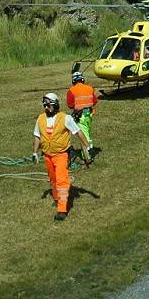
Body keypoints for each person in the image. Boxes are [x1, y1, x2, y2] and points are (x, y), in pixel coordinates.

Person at [32, 92, 92, 221]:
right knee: (53, 180)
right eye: (44, 105)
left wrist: (87, 147)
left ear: (55, 104)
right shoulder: (41, 118)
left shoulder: (65, 118)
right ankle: (56, 198)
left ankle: (62, 209)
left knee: (62, 181)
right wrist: (35, 152)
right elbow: (37, 136)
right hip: (47, 155)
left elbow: (78, 132)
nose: (46, 107)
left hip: (61, 154)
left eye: (48, 105)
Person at [66, 71, 98, 146]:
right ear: (83, 79)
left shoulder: (71, 90)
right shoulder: (90, 88)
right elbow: (95, 101)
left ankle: (89, 154)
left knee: (84, 136)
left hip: (80, 116)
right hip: (89, 114)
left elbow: (70, 105)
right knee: (87, 131)